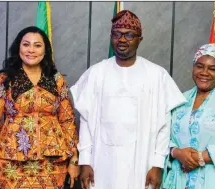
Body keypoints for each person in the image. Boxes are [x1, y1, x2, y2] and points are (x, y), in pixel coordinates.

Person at [70, 10, 187, 189]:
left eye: (129, 35)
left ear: (140, 39)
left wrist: (157, 164)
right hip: (102, 163)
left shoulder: (156, 75)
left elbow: (164, 124)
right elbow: (86, 121)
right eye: (117, 34)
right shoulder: (96, 73)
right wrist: (85, 160)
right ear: (111, 37)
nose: (122, 40)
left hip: (142, 164)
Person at [0, 26, 79, 189]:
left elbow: (68, 121)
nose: (31, 50)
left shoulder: (56, 80)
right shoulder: (5, 79)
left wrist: (74, 160)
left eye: (37, 45)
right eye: (26, 44)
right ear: (18, 47)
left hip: (52, 164)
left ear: (45, 50)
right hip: (12, 163)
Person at [162, 43, 215, 189]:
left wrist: (200, 157)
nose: (204, 72)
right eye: (199, 66)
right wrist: (177, 152)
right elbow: (163, 136)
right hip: (178, 181)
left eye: (212, 68)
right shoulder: (180, 100)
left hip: (213, 182)